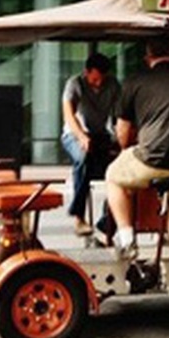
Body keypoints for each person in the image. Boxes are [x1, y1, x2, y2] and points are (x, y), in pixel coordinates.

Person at [105, 36, 169, 293]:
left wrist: (126, 149)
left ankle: (127, 237)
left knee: (113, 176)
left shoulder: (134, 81)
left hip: (151, 158)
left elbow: (122, 130)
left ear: (147, 55)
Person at [61, 52, 120, 236]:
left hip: (100, 134)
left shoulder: (112, 85)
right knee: (83, 158)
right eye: (95, 79)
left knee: (121, 165)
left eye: (102, 79)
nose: (99, 83)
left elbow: (120, 114)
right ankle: (78, 216)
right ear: (86, 72)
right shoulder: (75, 83)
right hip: (74, 134)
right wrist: (81, 136)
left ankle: (107, 221)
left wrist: (120, 138)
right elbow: (68, 114)